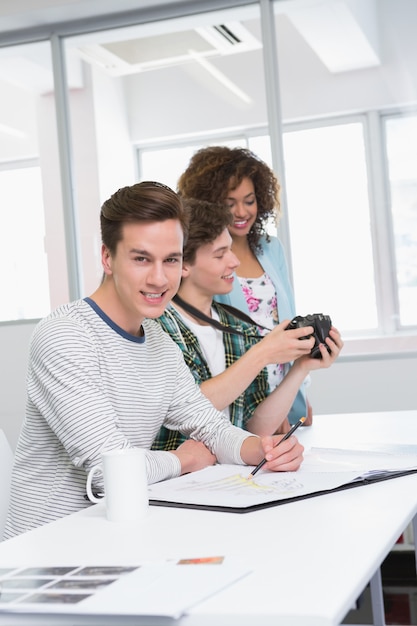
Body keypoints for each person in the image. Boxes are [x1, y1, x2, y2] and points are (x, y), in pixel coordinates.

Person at [4, 181, 304, 540]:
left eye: (171, 260)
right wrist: (184, 460)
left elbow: (210, 427)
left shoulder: (158, 341)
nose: (159, 278)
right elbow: (107, 470)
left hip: (118, 534)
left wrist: (263, 449)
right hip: (45, 551)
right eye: (141, 259)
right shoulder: (66, 336)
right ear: (107, 257)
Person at [152, 198, 343, 451]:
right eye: (220, 254)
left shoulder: (238, 327)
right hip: (176, 481)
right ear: (183, 264)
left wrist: (301, 368)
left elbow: (255, 430)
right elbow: (185, 408)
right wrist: (262, 354)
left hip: (232, 477)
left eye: (230, 249)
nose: (234, 261)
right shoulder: (156, 326)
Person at [177, 145, 312, 425]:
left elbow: (285, 321)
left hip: (282, 390)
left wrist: (299, 387)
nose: (241, 211)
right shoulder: (199, 266)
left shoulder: (271, 249)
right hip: (233, 398)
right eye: (230, 203)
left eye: (249, 200)